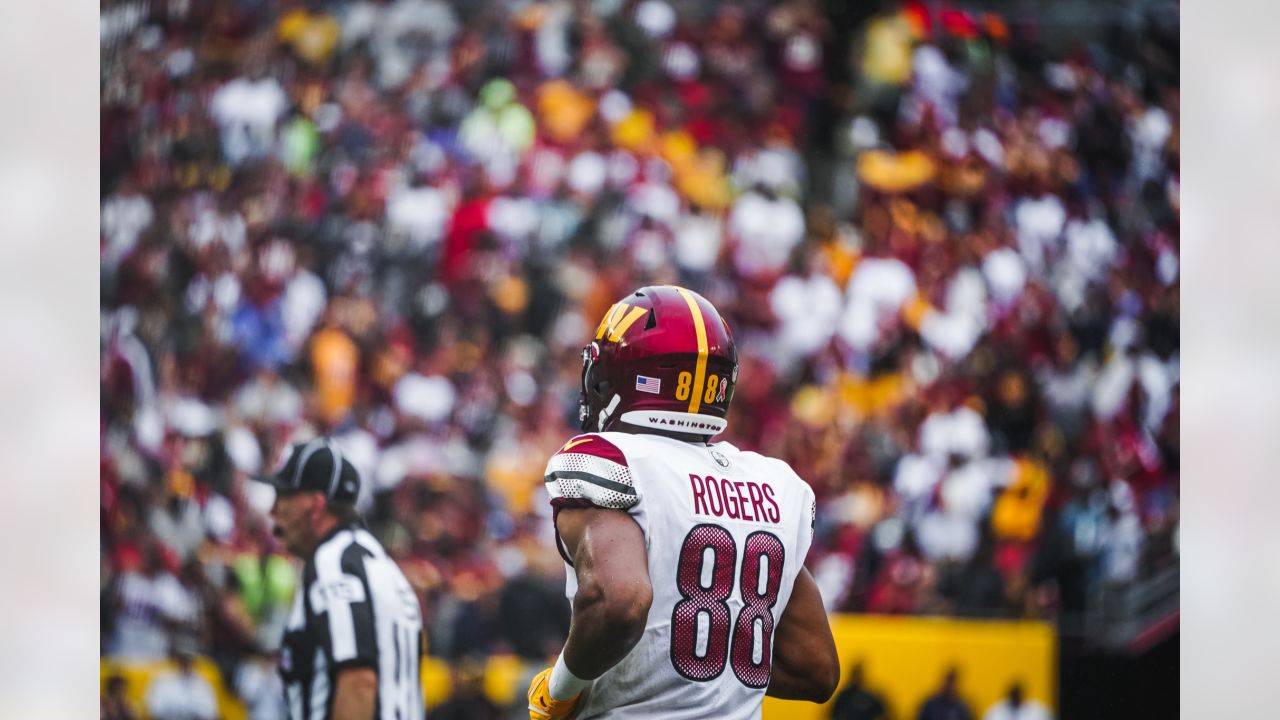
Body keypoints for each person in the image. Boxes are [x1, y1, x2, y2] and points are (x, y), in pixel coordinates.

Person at [527, 286, 841, 720]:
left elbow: (620, 604)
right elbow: (815, 668)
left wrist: (560, 690)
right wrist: (708, 663)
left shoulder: (615, 460)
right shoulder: (771, 484)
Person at [254, 438, 424, 720]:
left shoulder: (333, 562)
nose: (273, 511)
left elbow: (358, 679)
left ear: (315, 505)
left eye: (283, 496)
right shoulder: (379, 563)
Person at [143, 643, 219, 720]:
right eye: (183, 660)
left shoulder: (203, 685)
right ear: (177, 660)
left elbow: (210, 714)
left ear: (195, 661)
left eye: (189, 660)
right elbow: (154, 709)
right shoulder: (162, 681)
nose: (186, 664)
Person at [981, 682, 1052, 720]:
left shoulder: (1037, 711)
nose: (1015, 698)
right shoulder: (996, 711)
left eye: (1017, 695)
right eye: (1013, 696)